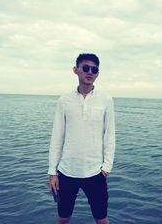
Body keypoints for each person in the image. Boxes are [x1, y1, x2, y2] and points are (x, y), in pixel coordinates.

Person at [48, 53, 116, 224]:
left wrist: (106, 167)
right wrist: (52, 172)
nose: (90, 72)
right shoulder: (64, 101)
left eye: (94, 69)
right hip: (67, 171)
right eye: (85, 68)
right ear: (75, 70)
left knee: (102, 219)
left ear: (98, 73)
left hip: (95, 172)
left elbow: (110, 135)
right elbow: (57, 137)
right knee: (63, 218)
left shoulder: (106, 100)